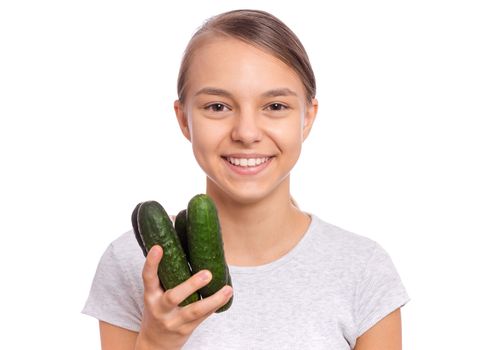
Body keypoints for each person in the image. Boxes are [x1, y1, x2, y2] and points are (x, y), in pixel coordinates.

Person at [82, 9, 410, 350]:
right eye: (218, 107)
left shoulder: (362, 268)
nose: (247, 132)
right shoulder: (131, 262)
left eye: (276, 106)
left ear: (308, 117)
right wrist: (155, 342)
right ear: (183, 119)